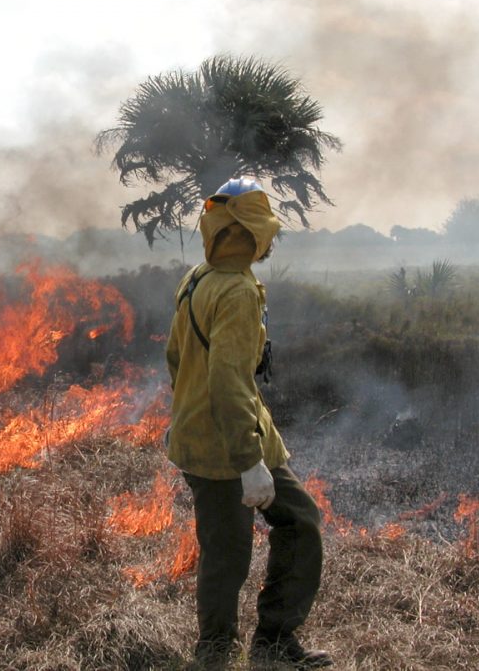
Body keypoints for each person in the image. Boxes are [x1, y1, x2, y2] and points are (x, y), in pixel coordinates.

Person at [165, 178, 332, 669]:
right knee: (227, 553)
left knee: (299, 522)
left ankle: (274, 642)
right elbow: (227, 381)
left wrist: (186, 412)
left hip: (222, 433)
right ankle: (216, 653)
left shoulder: (198, 277)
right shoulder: (235, 291)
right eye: (264, 230)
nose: (271, 240)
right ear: (244, 232)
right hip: (228, 447)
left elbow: (176, 356)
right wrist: (248, 463)